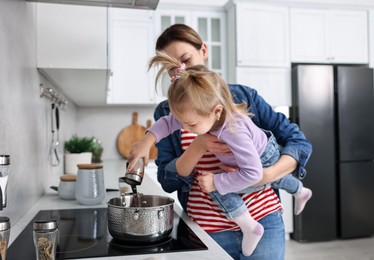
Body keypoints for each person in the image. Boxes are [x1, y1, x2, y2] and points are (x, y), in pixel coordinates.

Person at [132, 24, 312, 260]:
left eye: (186, 59)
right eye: (172, 68)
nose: (183, 71)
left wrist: (266, 176)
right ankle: (298, 191)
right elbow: (168, 181)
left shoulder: (243, 100)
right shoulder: (174, 110)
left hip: (264, 220)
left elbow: (298, 142)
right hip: (205, 230)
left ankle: (295, 193)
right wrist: (194, 145)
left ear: (204, 50)